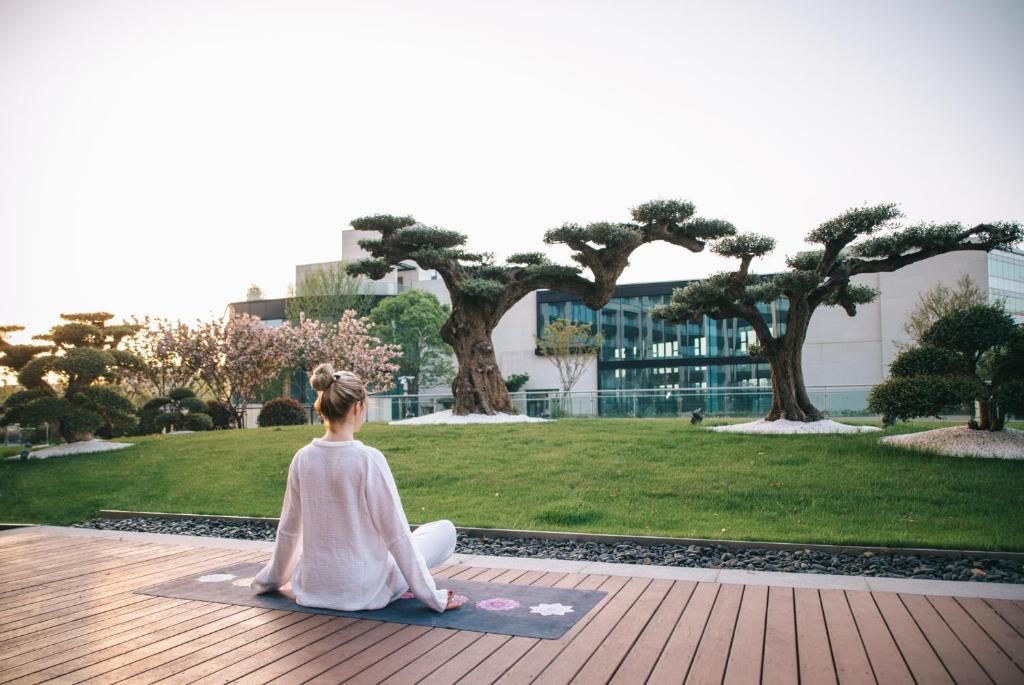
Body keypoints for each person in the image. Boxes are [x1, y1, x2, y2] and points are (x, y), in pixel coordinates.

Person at [251, 363, 461, 613]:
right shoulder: (368, 459)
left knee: (403, 545)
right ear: (357, 406)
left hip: (311, 588)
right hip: (364, 591)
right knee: (444, 530)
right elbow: (397, 536)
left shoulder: (302, 458)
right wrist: (432, 598)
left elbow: (289, 531)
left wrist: (269, 581)